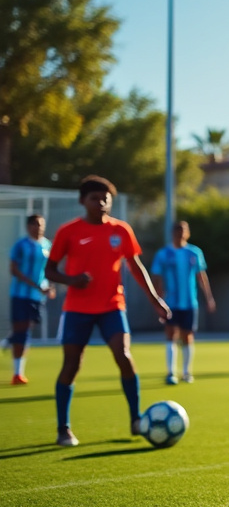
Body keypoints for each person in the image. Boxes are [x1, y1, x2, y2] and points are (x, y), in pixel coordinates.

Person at [45, 176, 170, 446]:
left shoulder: (121, 230)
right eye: (94, 198)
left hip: (113, 306)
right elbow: (49, 269)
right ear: (82, 201)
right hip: (77, 309)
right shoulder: (68, 231)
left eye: (106, 198)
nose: (101, 202)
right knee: (71, 365)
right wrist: (72, 280)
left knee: (123, 356)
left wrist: (155, 300)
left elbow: (136, 267)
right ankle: (63, 428)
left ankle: (136, 419)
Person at [151, 221, 216, 383]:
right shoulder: (163, 254)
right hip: (170, 303)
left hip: (189, 302)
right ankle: (171, 372)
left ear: (188, 233)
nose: (180, 233)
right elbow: (156, 278)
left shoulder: (194, 252)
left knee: (187, 336)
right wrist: (157, 300)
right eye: (177, 230)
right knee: (170, 335)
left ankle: (187, 372)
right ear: (172, 233)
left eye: (183, 230)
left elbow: (201, 277)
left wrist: (209, 297)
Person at [6, 214, 55, 385]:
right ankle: (17, 373)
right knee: (23, 332)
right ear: (28, 227)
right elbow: (14, 270)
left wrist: (48, 287)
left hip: (38, 296)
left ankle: (10, 340)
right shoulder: (21, 245)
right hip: (21, 294)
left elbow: (48, 271)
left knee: (26, 328)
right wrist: (35, 285)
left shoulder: (48, 245)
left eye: (41, 224)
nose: (38, 227)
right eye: (34, 224)